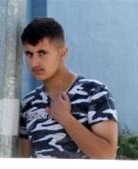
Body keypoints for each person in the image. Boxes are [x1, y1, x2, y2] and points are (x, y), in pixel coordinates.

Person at [18, 17, 118, 159]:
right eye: (29, 54)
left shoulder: (94, 92)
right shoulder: (28, 103)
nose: (34, 63)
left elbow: (107, 155)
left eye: (42, 53)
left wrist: (65, 118)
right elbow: (23, 160)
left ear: (62, 53)